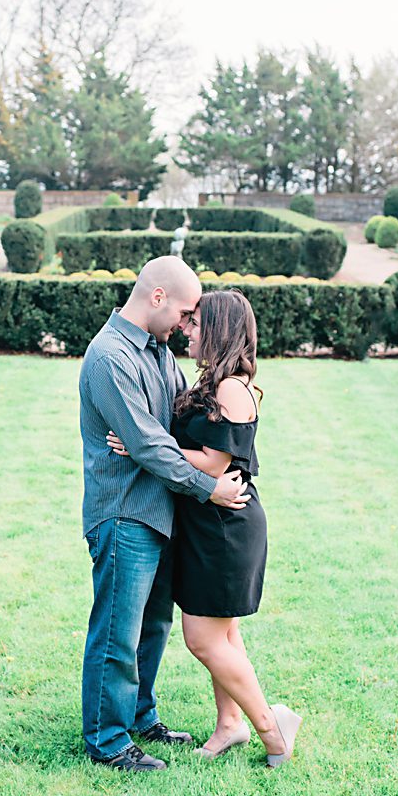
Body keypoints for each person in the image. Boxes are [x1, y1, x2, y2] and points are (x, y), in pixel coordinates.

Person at [107, 289, 303, 769]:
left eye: (195, 323)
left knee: (203, 638)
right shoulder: (213, 381)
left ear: (216, 330)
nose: (186, 330)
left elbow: (215, 462)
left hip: (225, 525)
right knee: (226, 635)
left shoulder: (232, 387)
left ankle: (272, 727)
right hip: (207, 521)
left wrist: (143, 446)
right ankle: (228, 725)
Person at [79, 256, 252, 771]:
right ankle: (108, 741)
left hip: (160, 511)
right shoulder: (110, 357)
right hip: (124, 510)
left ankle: (139, 715)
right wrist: (209, 488)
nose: (184, 325)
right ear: (157, 297)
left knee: (153, 625)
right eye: (182, 312)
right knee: (117, 629)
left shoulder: (156, 352)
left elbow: (174, 424)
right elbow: (151, 446)